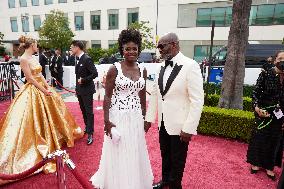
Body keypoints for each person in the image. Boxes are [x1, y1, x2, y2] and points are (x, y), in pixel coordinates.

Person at [0, 36, 83, 185]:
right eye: (36, 44)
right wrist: (43, 91)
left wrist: (47, 87)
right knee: (33, 118)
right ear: (31, 45)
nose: (37, 46)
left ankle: (54, 137)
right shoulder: (23, 59)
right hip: (32, 90)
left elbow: (40, 75)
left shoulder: (34, 57)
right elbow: (30, 78)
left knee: (53, 113)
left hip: (42, 88)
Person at [90, 28, 153, 189]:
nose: (131, 52)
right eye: (127, 49)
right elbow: (107, 97)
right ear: (122, 50)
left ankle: (135, 181)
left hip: (136, 116)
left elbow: (142, 95)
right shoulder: (114, 69)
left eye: (134, 48)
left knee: (135, 148)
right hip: (118, 116)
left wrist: (145, 116)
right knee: (121, 149)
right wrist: (106, 122)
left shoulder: (142, 69)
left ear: (138, 49)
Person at [145, 33, 204, 189]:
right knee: (165, 156)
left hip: (181, 126)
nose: (159, 50)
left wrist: (189, 128)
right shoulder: (160, 67)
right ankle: (166, 181)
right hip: (163, 123)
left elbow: (197, 101)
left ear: (174, 44)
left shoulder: (191, 65)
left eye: (161, 46)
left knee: (178, 159)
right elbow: (156, 94)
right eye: (158, 47)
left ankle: (175, 185)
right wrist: (149, 119)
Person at [247, 50, 284, 180]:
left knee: (275, 140)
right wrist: (256, 108)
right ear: (275, 60)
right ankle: (256, 163)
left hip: (280, 115)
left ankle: (270, 166)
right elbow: (255, 93)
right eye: (280, 58)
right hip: (264, 112)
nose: (282, 61)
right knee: (260, 137)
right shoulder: (266, 73)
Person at [70, 40, 98, 145]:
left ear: (77, 47)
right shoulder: (77, 59)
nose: (71, 49)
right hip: (80, 90)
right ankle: (87, 127)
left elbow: (95, 73)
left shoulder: (87, 59)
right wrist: (77, 89)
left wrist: (84, 80)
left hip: (87, 90)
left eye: (72, 47)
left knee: (89, 111)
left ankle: (90, 133)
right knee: (83, 110)